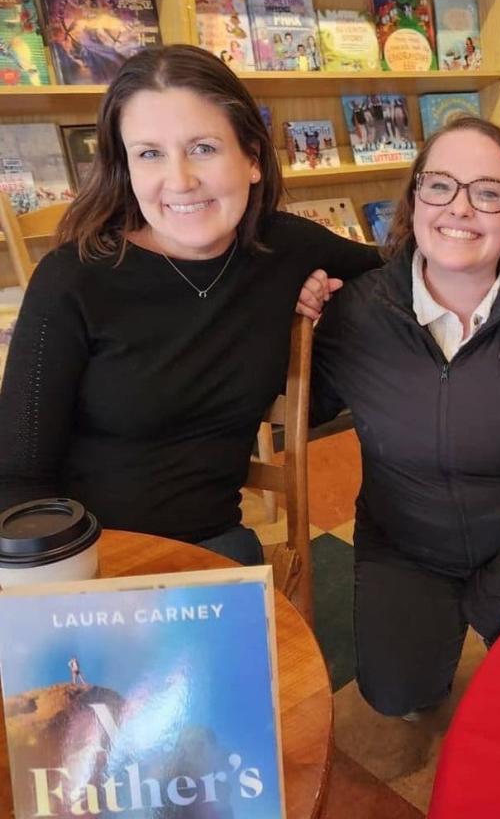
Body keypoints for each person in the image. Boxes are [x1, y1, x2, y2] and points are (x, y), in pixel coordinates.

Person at [0, 45, 381, 563]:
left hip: (213, 543)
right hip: (84, 555)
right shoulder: (72, 280)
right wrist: (74, 585)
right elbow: (18, 480)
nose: (179, 181)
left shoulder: (285, 248)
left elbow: (407, 266)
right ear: (125, 168)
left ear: (251, 157)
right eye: (150, 153)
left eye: (203, 148)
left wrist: (330, 306)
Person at [309, 117, 500, 718]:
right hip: (406, 546)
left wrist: (496, 594)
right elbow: (297, 408)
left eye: (488, 191)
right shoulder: (356, 314)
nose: (461, 208)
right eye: (440, 185)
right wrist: (294, 314)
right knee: (396, 697)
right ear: (414, 199)